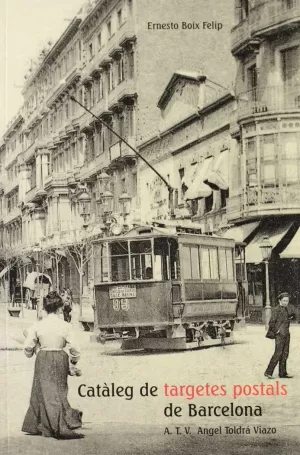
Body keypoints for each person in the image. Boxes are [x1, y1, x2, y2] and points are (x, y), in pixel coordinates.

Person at [22, 291, 84, 439]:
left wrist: (31, 353)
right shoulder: (66, 326)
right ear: (59, 309)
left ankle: (39, 423)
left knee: (41, 392)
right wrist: (74, 361)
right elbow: (75, 348)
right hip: (60, 357)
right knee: (59, 391)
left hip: (43, 358)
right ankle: (59, 422)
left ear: (45, 308)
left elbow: (28, 346)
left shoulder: (37, 325)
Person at [264, 292, 296, 379]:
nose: (286, 302)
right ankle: (268, 372)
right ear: (279, 301)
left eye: (287, 301)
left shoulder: (286, 309)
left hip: (286, 334)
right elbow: (271, 323)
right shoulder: (276, 309)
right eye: (284, 301)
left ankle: (282, 373)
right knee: (278, 353)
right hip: (280, 335)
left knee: (285, 353)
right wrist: (277, 331)